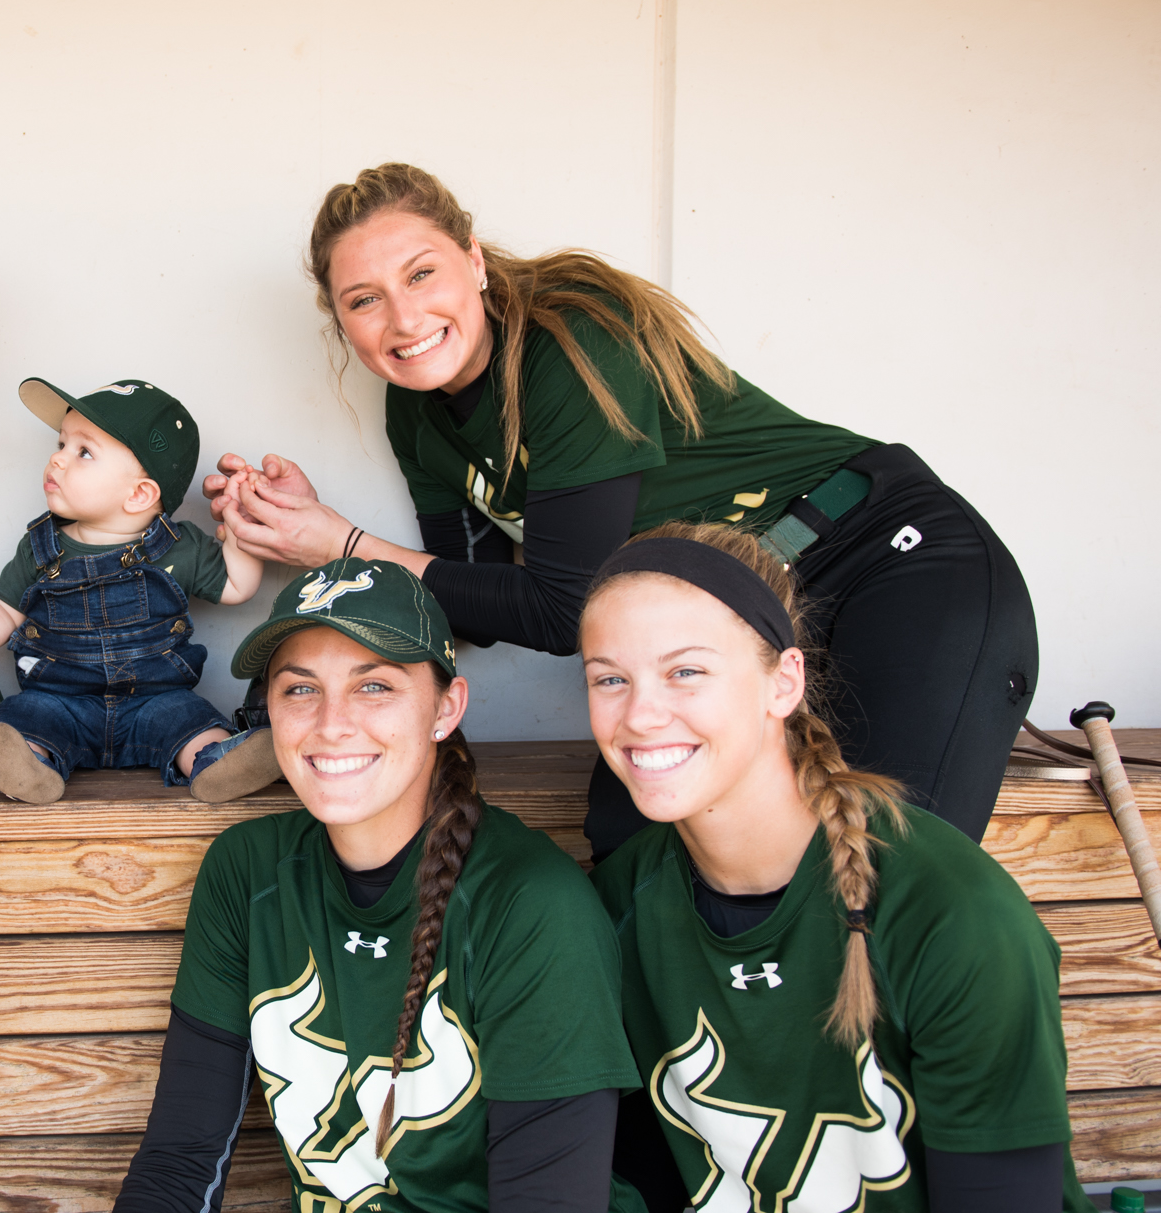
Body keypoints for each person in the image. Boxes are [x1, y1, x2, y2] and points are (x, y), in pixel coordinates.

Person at [209, 161, 1035, 859]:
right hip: (737, 618)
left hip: (880, 558)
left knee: (899, 862)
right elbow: (486, 602)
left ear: (474, 259)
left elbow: (565, 611)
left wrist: (343, 546)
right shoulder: (416, 413)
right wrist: (311, 530)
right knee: (630, 836)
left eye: (422, 273)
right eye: (365, 299)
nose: (405, 318)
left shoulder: (571, 339)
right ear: (340, 320)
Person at [82, 558, 683, 1213]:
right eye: (300, 688)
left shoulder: (528, 901)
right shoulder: (248, 874)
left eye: (374, 686)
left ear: (446, 707)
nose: (331, 723)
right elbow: (182, 1162)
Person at [579, 522, 1134, 1213]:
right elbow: (629, 1163)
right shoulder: (625, 901)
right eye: (608, 678)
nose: (640, 712)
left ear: (782, 681)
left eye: (686, 670)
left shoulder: (946, 910)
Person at [0, 376, 278, 804]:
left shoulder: (179, 546)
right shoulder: (42, 546)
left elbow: (238, 584)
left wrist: (244, 525)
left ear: (139, 494)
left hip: (156, 703)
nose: (57, 461)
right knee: (22, 720)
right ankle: (31, 766)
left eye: (83, 452)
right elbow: (3, 609)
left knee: (192, 722)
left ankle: (213, 762)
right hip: (58, 701)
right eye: (60, 445)